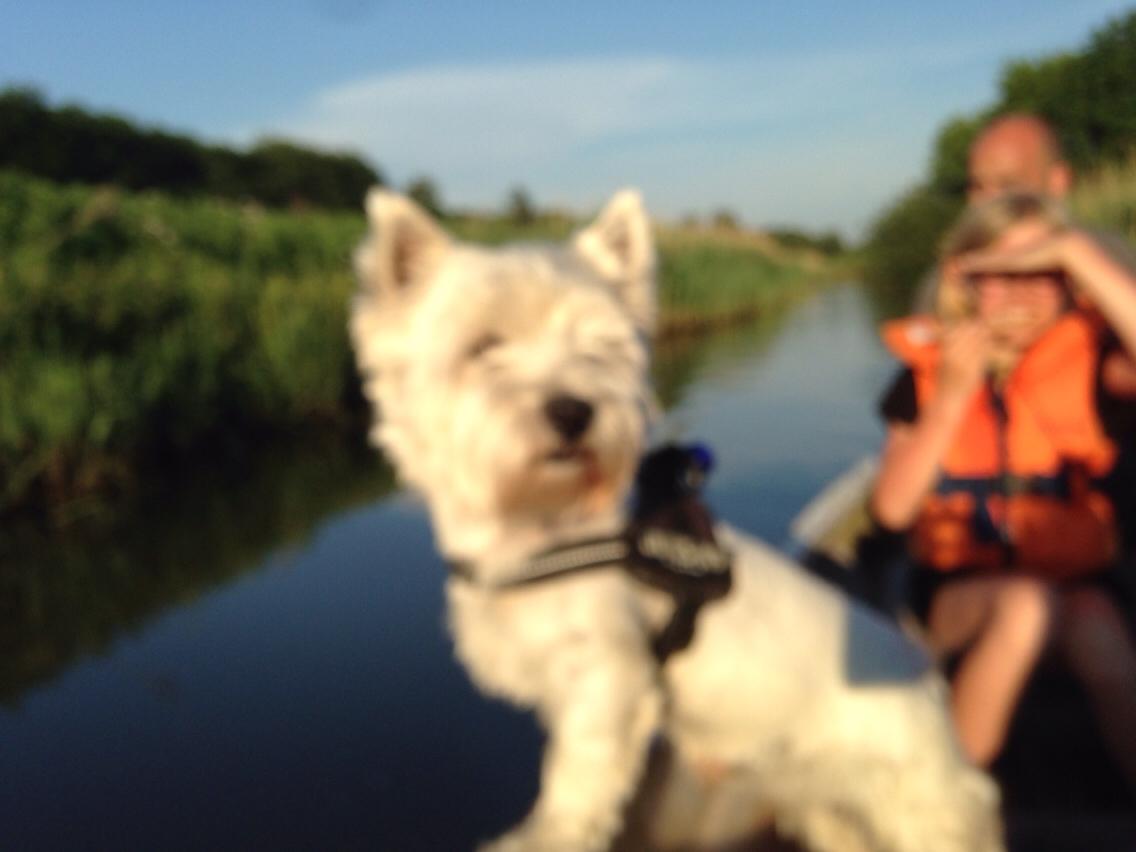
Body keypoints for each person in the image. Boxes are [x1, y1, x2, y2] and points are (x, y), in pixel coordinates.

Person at [870, 191, 1136, 785]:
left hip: (1072, 591)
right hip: (958, 602)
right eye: (1001, 274)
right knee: (1024, 606)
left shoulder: (1095, 362)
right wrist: (950, 399)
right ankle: (947, 806)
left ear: (1069, 282)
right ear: (965, 282)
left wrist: (1076, 250)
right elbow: (891, 510)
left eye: (1043, 272)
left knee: (1098, 626)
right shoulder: (928, 373)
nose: (1021, 292)